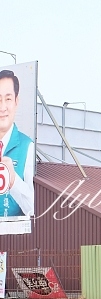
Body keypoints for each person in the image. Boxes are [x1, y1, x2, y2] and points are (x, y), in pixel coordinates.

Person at [0, 70, 35, 217]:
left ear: (16, 101)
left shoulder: (27, 146)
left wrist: (13, 180)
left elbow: (33, 209)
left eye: (8, 99)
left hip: (13, 238)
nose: (2, 107)